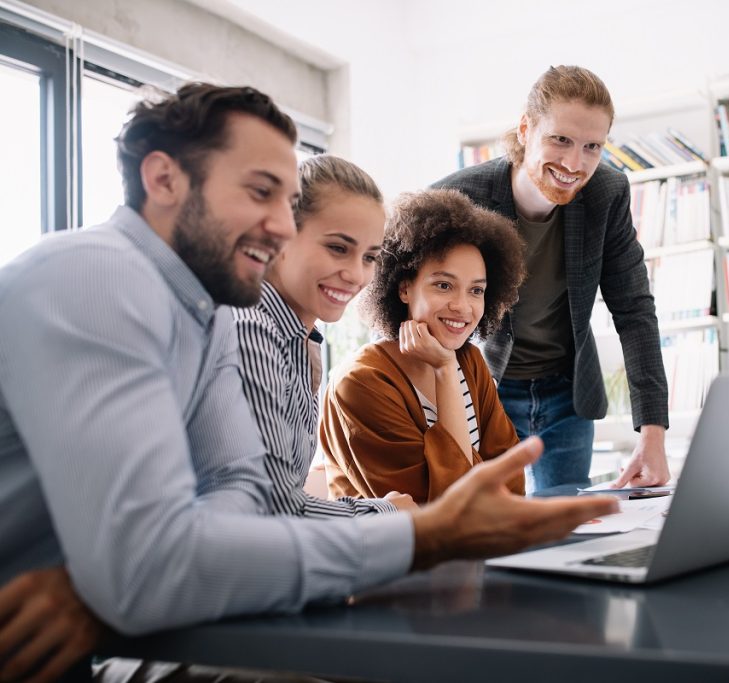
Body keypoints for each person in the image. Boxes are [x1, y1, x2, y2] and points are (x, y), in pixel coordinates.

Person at [0, 82, 617, 683]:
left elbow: (246, 498)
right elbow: (158, 565)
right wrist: (413, 536)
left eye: (287, 203)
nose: (278, 226)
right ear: (163, 180)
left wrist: (156, 561)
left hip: (121, 625)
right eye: (261, 194)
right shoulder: (97, 277)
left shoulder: (206, 313)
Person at [431, 65, 670, 491]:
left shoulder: (607, 194)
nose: (575, 164)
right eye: (560, 139)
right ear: (525, 129)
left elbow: (634, 310)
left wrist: (652, 434)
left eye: (592, 146)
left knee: (566, 531)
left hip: (567, 395)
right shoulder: (458, 199)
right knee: (489, 525)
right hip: (485, 388)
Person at [233, 153, 414, 517]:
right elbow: (272, 509)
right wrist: (387, 513)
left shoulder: (297, 337)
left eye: (369, 257)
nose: (355, 275)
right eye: (338, 248)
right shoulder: (251, 330)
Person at [320, 189, 526, 504]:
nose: (462, 306)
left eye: (476, 290)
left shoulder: (469, 360)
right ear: (404, 288)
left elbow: (511, 479)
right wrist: (445, 370)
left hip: (480, 546)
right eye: (443, 285)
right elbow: (439, 511)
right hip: (394, 552)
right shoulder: (360, 383)